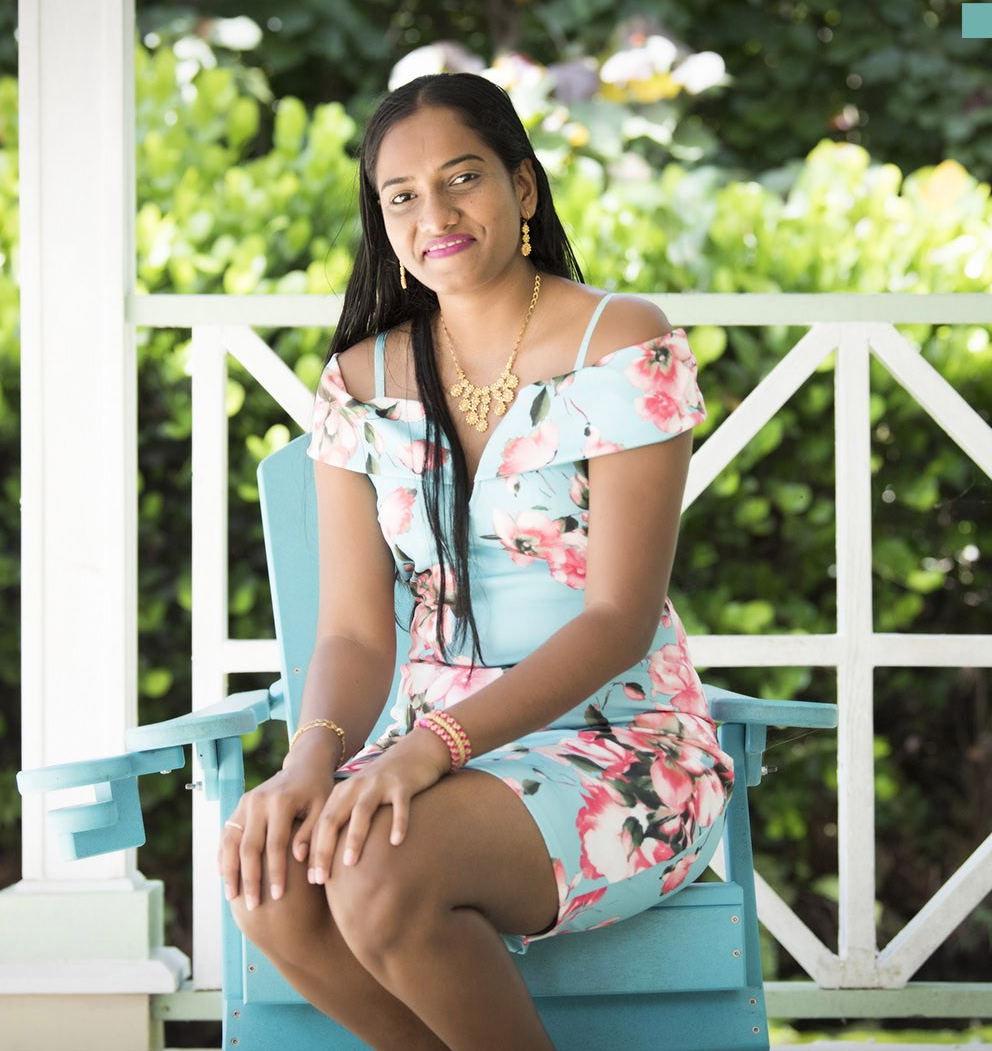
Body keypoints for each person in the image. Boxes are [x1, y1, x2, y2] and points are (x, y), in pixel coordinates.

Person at [218, 71, 735, 1051]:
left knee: (377, 871)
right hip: (428, 752)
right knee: (278, 875)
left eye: (462, 178)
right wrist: (308, 758)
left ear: (524, 188)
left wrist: (432, 746)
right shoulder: (359, 381)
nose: (434, 213)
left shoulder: (620, 342)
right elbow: (354, 631)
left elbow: (617, 616)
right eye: (401, 195)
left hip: (621, 744)